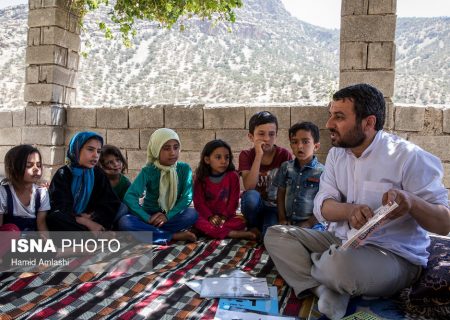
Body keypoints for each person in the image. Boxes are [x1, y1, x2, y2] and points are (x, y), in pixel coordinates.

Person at [264, 83, 450, 320]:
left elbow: (444, 224)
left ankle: (327, 273)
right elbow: (322, 204)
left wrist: (411, 202)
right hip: (341, 241)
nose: (329, 124)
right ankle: (322, 288)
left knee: (339, 265)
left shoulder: (409, 157)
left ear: (368, 123)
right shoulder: (336, 154)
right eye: (331, 115)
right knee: (275, 234)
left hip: (393, 255)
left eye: (339, 117)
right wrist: (349, 211)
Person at [118, 128, 198, 244]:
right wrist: (147, 218)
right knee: (125, 222)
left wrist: (167, 216)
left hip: (171, 216)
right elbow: (130, 196)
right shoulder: (149, 171)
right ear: (156, 150)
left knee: (192, 214)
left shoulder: (184, 169)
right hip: (150, 217)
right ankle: (172, 236)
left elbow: (187, 197)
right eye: (166, 148)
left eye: (176, 147)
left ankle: (150, 234)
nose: (172, 152)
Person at [47, 132, 121, 232]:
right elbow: (59, 206)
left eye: (98, 151)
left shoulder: (98, 174)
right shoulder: (63, 174)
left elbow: (110, 203)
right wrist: (83, 221)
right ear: (77, 149)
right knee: (55, 218)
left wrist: (92, 216)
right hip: (74, 222)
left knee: (120, 209)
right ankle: (95, 236)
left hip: (93, 220)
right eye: (90, 149)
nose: (95, 155)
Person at [239, 111, 292, 236]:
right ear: (251, 137)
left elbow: (288, 188)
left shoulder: (284, 155)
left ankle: (262, 227)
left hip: (274, 208)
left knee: (269, 236)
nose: (267, 139)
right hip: (255, 207)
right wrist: (258, 155)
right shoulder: (246, 155)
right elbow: (249, 186)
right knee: (251, 196)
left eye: (271, 134)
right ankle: (252, 224)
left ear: (276, 135)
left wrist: (282, 216)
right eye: (261, 134)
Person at [193, 139, 257, 240]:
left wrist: (224, 217)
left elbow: (233, 201)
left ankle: (209, 232)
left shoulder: (233, 176)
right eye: (218, 157)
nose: (224, 161)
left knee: (242, 221)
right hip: (207, 216)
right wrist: (210, 217)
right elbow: (199, 203)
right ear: (207, 160)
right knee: (194, 219)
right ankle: (232, 234)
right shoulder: (200, 178)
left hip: (227, 217)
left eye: (227, 157)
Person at [272, 122, 325, 230]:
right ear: (291, 145)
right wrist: (282, 218)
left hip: (312, 224)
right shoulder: (286, 167)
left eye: (305, 142)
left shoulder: (322, 172)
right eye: (295, 142)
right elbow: (280, 194)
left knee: (315, 240)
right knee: (270, 234)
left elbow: (324, 203)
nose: (300, 146)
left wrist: (309, 223)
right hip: (288, 222)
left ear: (316, 146)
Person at [0, 145, 49, 234]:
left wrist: (47, 243)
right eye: (29, 165)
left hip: (31, 242)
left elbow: (41, 225)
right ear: (14, 168)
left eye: (38, 165)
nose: (36, 169)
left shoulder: (42, 193)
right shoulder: (3, 192)